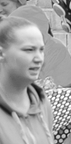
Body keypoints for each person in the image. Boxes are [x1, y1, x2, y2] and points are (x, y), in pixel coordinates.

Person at [0, 15, 52, 144]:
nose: (39, 58)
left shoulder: (42, 102)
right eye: (29, 50)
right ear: (1, 53)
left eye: (41, 50)